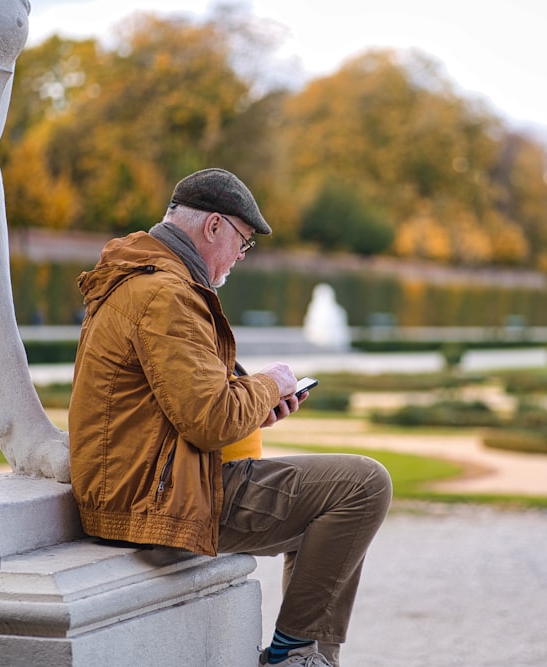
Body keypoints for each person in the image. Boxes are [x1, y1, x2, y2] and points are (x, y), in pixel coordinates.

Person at [68, 168, 392, 667]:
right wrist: (269, 384)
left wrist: (258, 406)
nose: (241, 256)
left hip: (142, 486)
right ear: (214, 227)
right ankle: (292, 657)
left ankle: (303, 656)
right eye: (243, 242)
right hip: (156, 499)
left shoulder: (142, 280)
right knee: (362, 485)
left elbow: (180, 408)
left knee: (334, 525)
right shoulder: (166, 294)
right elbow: (210, 419)